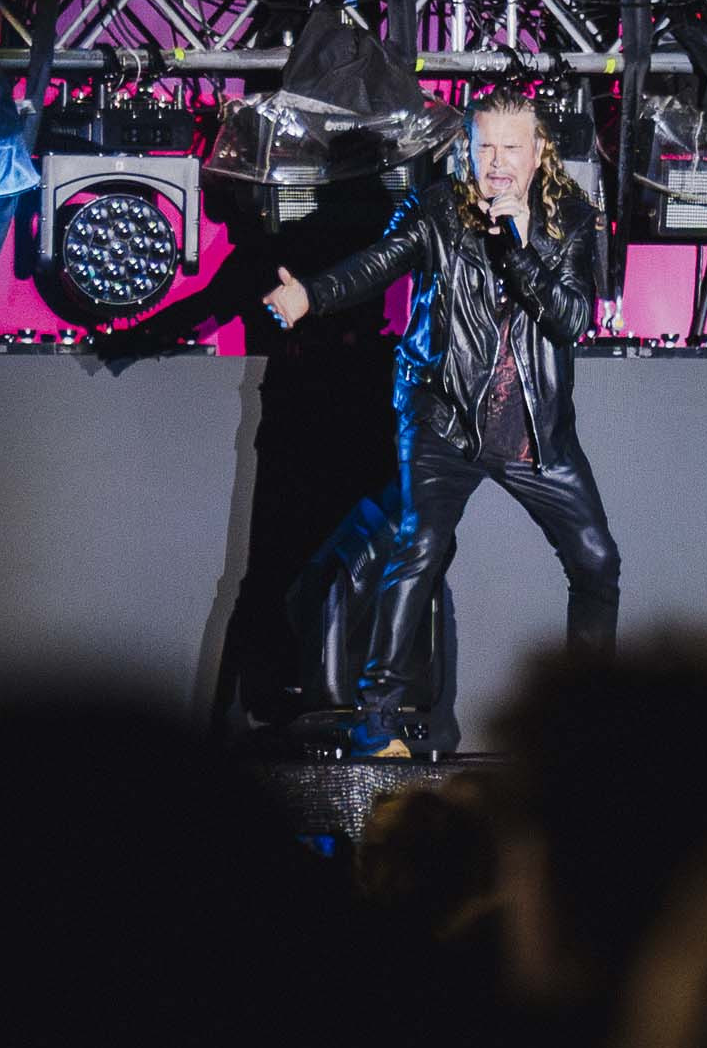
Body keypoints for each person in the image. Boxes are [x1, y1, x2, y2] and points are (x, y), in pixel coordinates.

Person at [263, 84, 620, 757]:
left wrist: (520, 248)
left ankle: (585, 720)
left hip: (532, 429)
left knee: (597, 561)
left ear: (538, 152)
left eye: (511, 148)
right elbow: (377, 264)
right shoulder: (439, 210)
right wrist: (311, 294)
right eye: (485, 148)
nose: (497, 162)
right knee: (420, 544)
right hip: (444, 416)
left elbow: (572, 319)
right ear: (468, 150)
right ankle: (376, 721)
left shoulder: (570, 218)